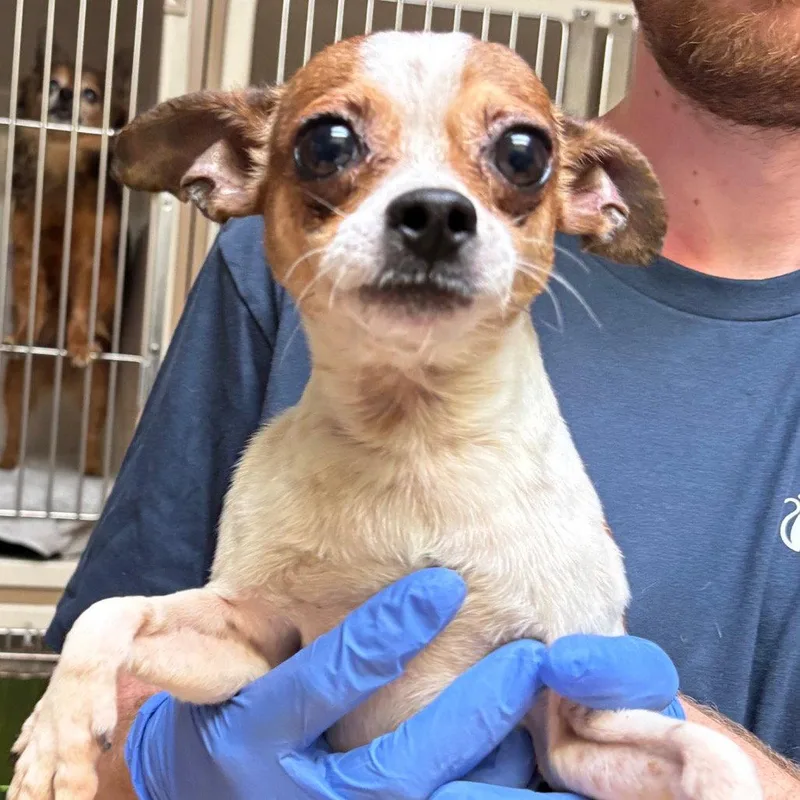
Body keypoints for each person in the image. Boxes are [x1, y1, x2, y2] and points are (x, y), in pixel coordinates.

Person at [43, 0, 800, 797]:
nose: (434, 205)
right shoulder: (264, 278)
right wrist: (159, 759)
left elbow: (593, 731)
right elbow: (95, 743)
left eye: (514, 158)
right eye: (333, 148)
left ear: (588, 195)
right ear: (241, 168)